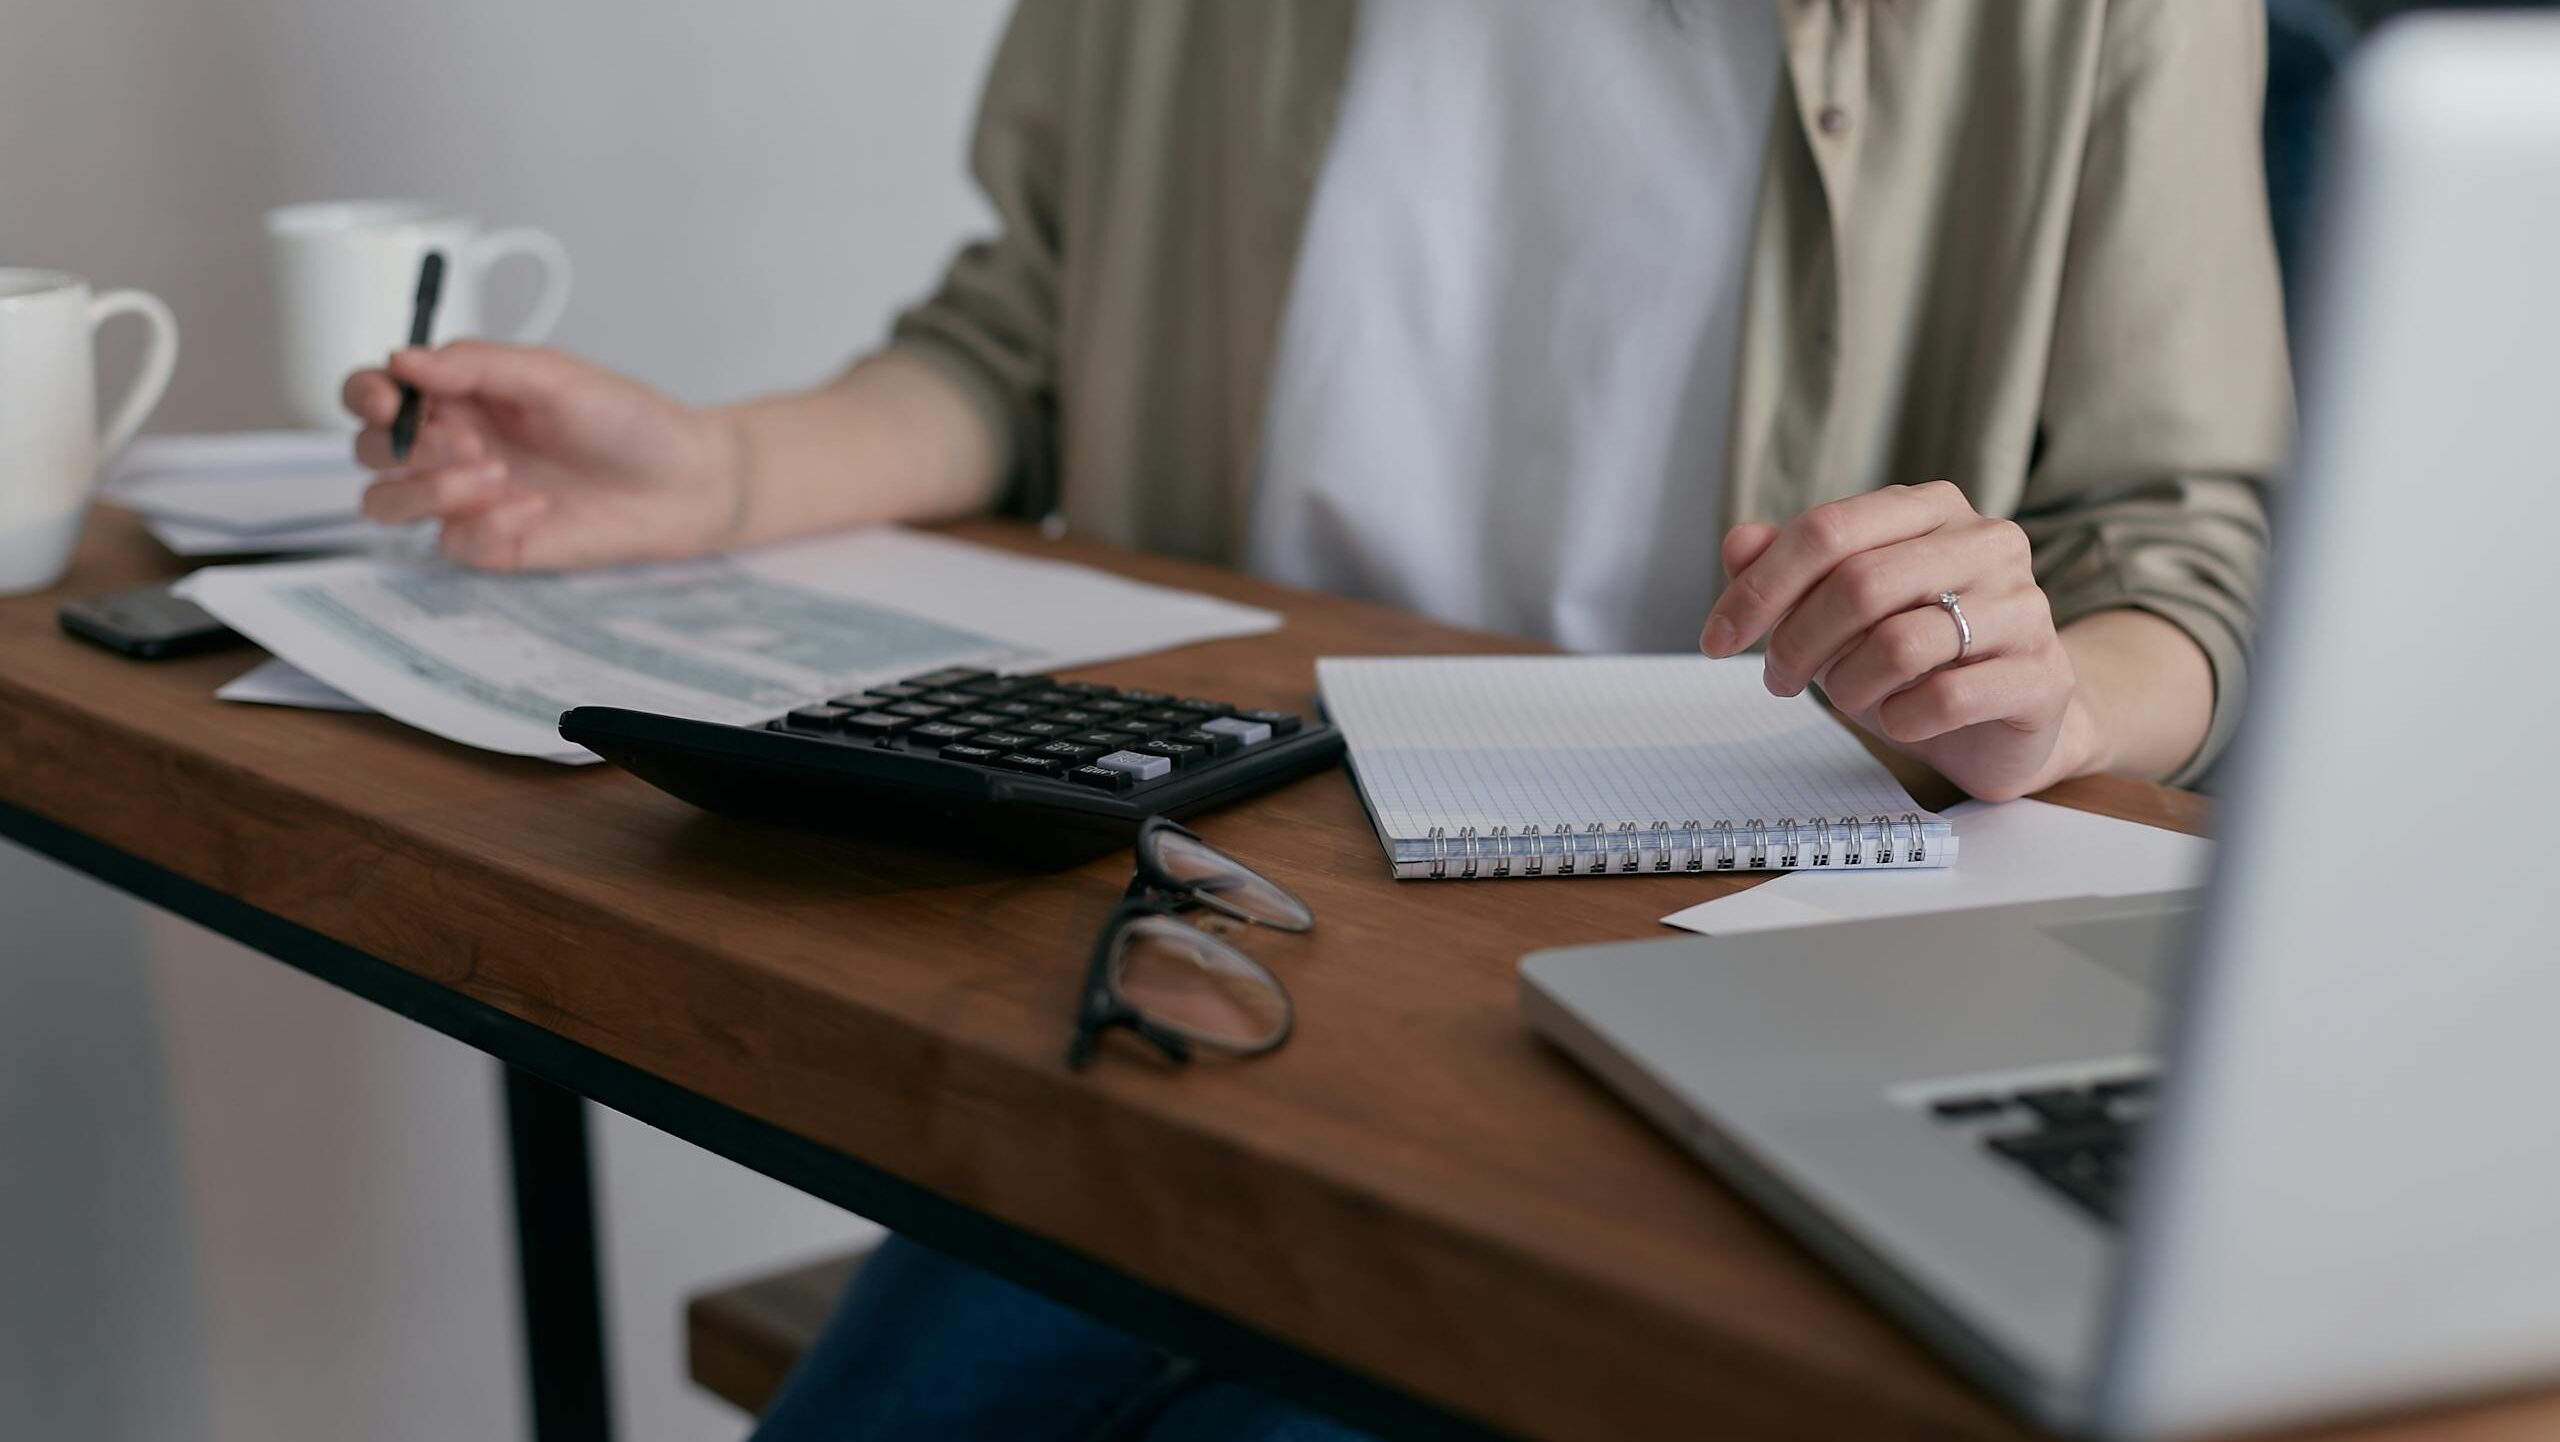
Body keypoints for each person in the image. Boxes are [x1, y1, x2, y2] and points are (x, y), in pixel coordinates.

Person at [341, 2, 2290, 1436]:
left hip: (1740, 948)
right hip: (1218, 915)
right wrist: (712, 467)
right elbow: (1019, 344)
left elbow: (2185, 549)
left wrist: (2038, 694)